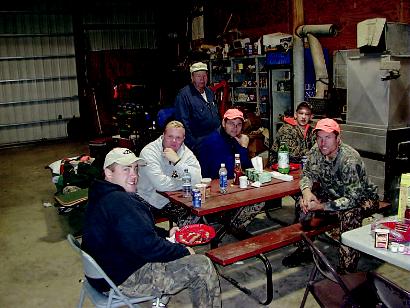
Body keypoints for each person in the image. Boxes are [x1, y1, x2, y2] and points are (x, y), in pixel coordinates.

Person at [81, 147, 221, 308]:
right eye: (126, 169)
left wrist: (166, 233)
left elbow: (138, 230)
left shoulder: (102, 194)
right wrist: (182, 251)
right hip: (123, 278)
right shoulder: (118, 201)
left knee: (181, 254)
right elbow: (148, 247)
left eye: (135, 168)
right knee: (202, 266)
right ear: (109, 173)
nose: (134, 175)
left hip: (104, 272)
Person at [282, 118, 379, 273]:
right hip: (333, 194)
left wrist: (321, 206)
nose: (323, 143)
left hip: (363, 199)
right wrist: (307, 192)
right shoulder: (316, 150)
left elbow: (353, 198)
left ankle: (347, 269)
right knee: (303, 204)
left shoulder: (348, 159)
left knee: (349, 214)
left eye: (328, 137)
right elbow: (307, 174)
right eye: (319, 137)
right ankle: (305, 250)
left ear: (338, 139)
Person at [198, 108, 261, 230]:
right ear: (223, 123)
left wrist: (242, 147)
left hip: (228, 187)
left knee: (259, 194)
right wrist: (243, 147)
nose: (235, 127)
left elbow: (248, 168)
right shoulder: (214, 141)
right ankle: (230, 223)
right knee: (256, 198)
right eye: (231, 123)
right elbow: (230, 169)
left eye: (239, 124)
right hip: (213, 192)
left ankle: (230, 221)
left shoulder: (232, 139)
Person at [137, 120, 202, 226]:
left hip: (171, 200)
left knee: (196, 214)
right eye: (170, 136)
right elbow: (161, 185)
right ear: (163, 136)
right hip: (146, 199)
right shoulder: (149, 152)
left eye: (178, 138)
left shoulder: (186, 153)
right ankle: (171, 240)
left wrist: (177, 161)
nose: (174, 141)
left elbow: (197, 179)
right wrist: (186, 183)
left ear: (183, 139)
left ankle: (179, 240)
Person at [174, 62, 220, 154]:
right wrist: (194, 145)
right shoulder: (184, 95)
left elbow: (216, 115)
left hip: (214, 140)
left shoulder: (210, 92)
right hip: (198, 144)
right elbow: (183, 123)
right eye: (198, 76)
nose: (202, 79)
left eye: (204, 76)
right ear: (192, 77)